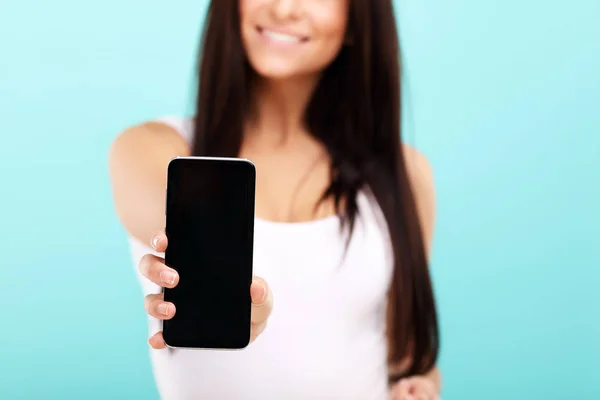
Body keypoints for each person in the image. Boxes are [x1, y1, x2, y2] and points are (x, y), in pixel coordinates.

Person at [109, 0, 442, 398]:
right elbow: (183, 238)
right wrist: (224, 295)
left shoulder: (405, 175)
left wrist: (420, 386)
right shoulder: (153, 151)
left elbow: (406, 358)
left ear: (359, 19)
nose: (285, 8)